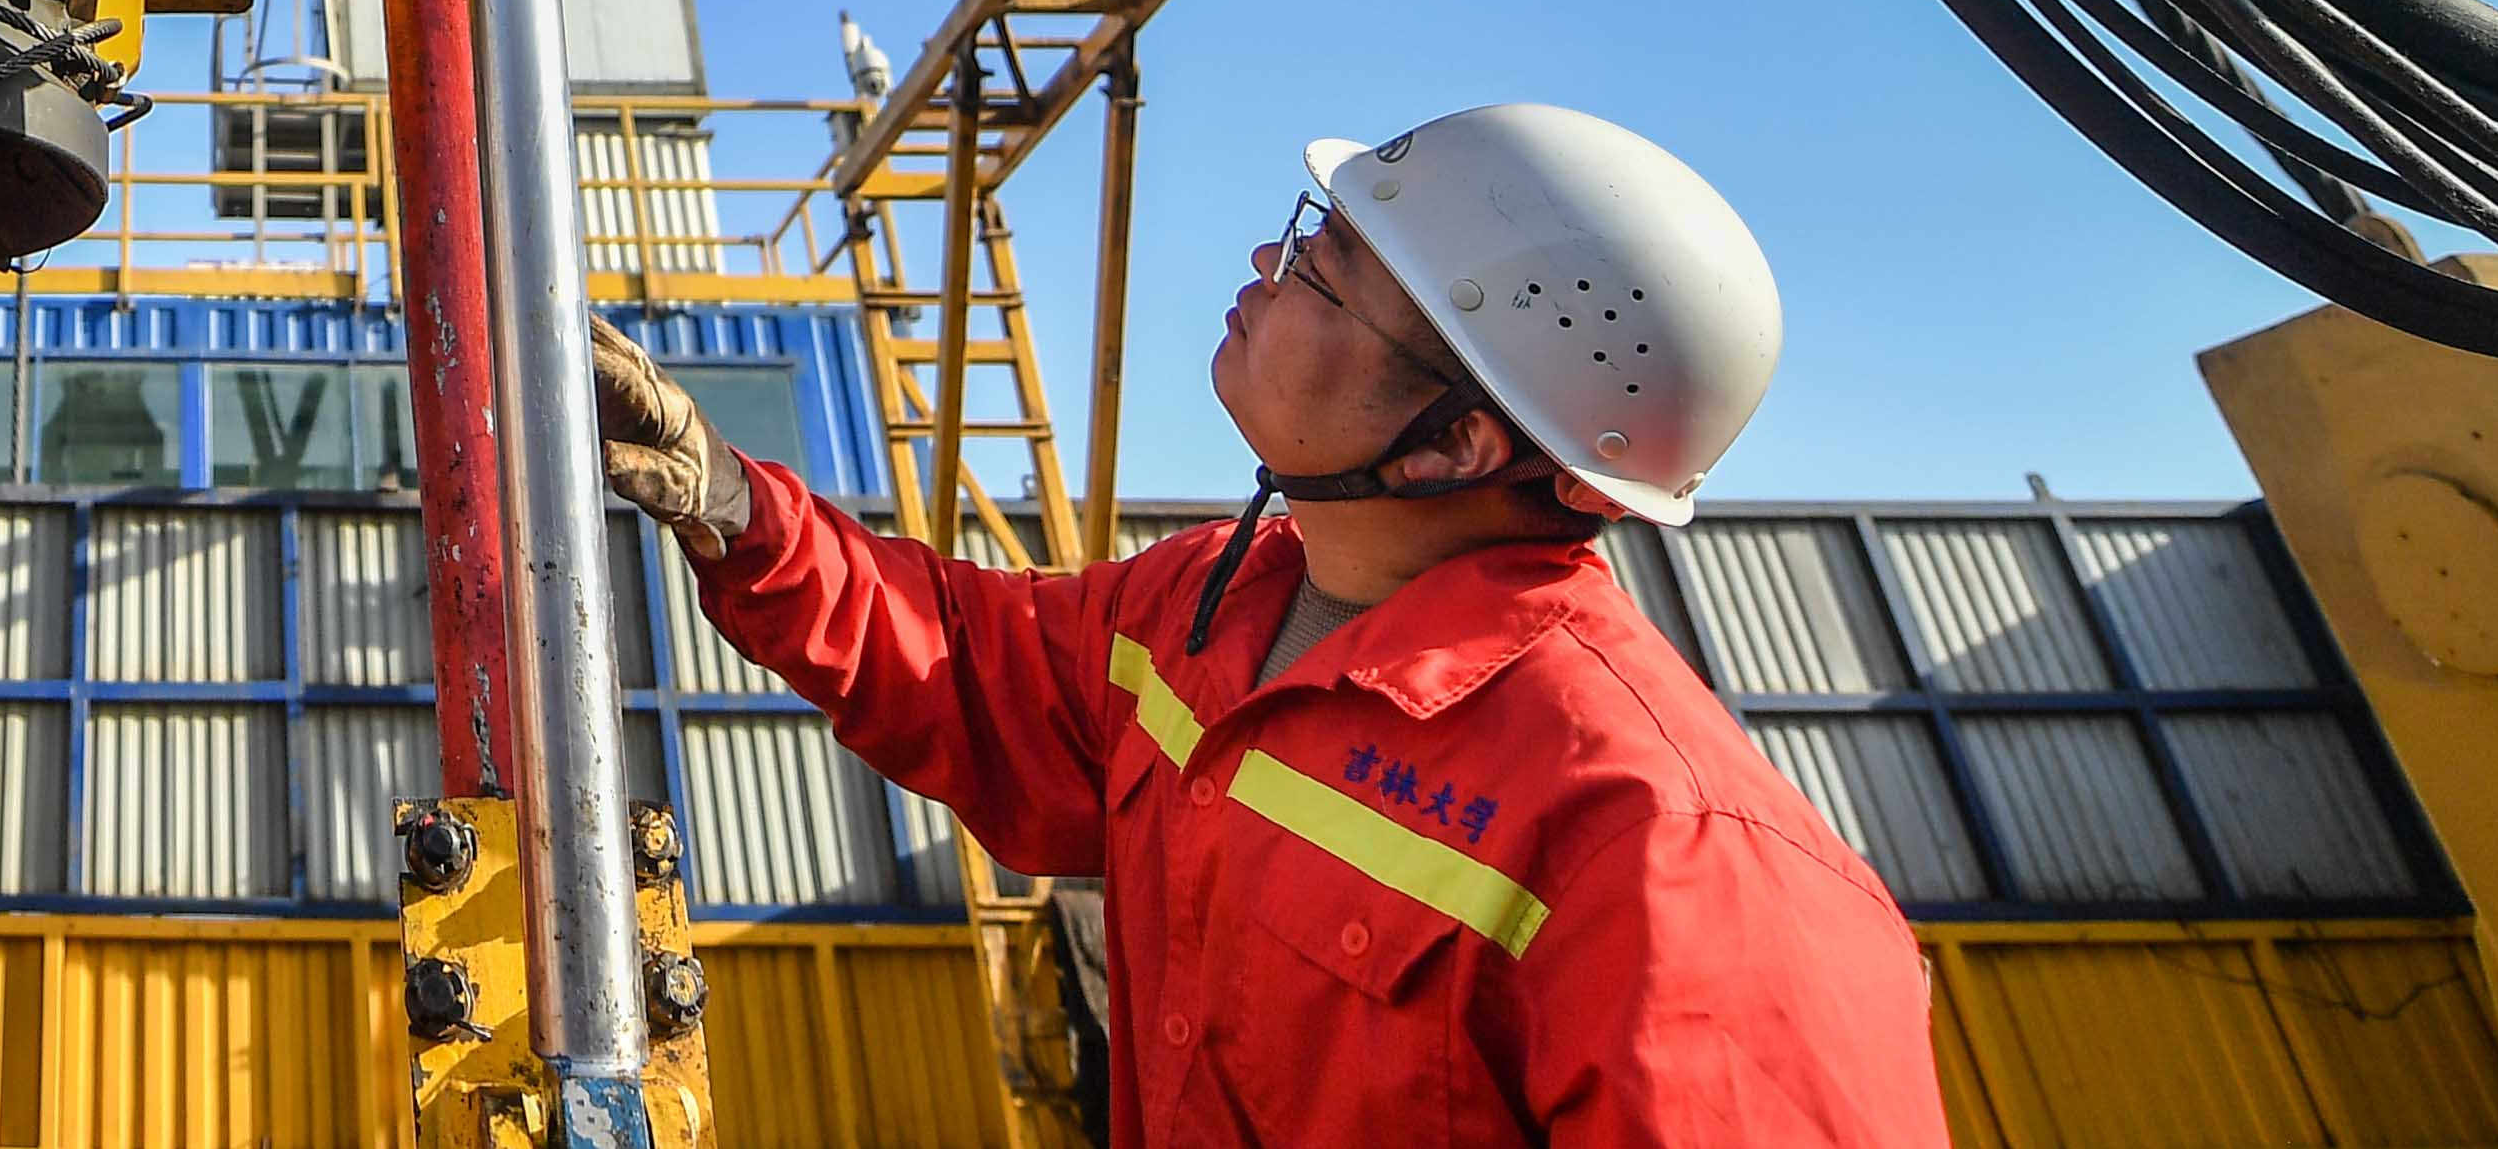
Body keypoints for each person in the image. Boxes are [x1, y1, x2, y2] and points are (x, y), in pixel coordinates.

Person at [593, 101, 1945, 1146]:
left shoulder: (1666, 850)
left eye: (1327, 264)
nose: (1265, 258)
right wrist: (722, 493)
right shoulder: (1205, 606)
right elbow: (970, 658)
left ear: (1449, 440)